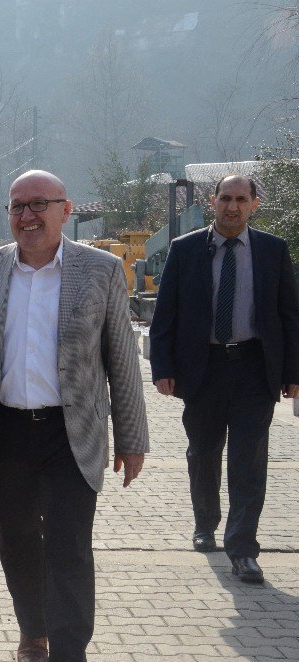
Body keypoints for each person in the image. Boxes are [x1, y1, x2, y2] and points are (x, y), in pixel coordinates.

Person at [0, 170, 149, 662]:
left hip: (71, 432)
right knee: (16, 538)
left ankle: (69, 650)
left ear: (66, 209)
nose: (27, 216)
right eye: (17, 206)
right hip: (4, 432)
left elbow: (121, 360)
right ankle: (33, 633)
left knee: (69, 546)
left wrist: (132, 438)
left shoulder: (99, 270)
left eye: (39, 204)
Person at [150, 174, 299, 583]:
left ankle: (243, 550)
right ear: (212, 201)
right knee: (203, 451)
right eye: (225, 198)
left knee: (248, 461)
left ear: (254, 204)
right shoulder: (185, 250)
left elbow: (290, 316)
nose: (232, 207)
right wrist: (163, 368)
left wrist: (293, 373)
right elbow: (166, 314)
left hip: (254, 369)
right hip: (204, 369)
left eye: (241, 199)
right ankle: (205, 523)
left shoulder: (272, 250)